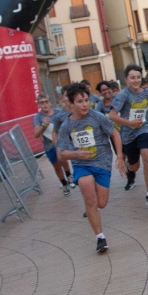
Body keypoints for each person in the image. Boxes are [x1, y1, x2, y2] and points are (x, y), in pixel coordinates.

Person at [57, 83, 124, 253]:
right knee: (90, 199)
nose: (85, 104)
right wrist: (76, 155)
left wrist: (120, 157)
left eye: (86, 100)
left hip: (102, 163)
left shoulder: (97, 116)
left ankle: (92, 201)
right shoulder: (66, 125)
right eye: (80, 101)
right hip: (82, 165)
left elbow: (115, 134)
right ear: (71, 104)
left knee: (101, 203)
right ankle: (100, 237)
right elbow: (61, 153)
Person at [109, 64, 148, 208]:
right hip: (128, 134)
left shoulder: (147, 93)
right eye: (132, 78)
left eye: (138, 77)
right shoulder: (123, 95)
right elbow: (112, 115)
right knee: (134, 166)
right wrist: (129, 122)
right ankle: (129, 170)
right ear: (126, 79)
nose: (136, 80)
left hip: (144, 129)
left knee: (147, 155)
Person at [34, 93, 73, 196]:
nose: (45, 105)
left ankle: (69, 174)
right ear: (38, 105)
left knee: (62, 158)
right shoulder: (38, 117)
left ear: (50, 102)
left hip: (61, 142)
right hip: (49, 146)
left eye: (46, 102)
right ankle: (64, 184)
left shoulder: (58, 112)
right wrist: (43, 125)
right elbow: (36, 134)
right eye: (42, 103)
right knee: (56, 166)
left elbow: (69, 121)